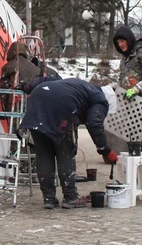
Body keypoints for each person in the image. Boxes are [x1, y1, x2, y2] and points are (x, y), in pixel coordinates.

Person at [19, 75, 118, 209]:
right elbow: (94, 122)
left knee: (44, 154)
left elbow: (45, 79)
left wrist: (24, 86)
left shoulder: (77, 85)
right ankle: (70, 197)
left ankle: (49, 198)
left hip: (37, 101)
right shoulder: (100, 99)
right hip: (62, 108)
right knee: (65, 153)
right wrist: (104, 150)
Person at [112, 25, 142, 152]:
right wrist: (115, 89)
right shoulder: (124, 58)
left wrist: (137, 89)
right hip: (130, 105)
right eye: (118, 42)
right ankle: (134, 170)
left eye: (122, 41)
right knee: (132, 141)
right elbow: (123, 79)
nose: (120, 45)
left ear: (129, 39)